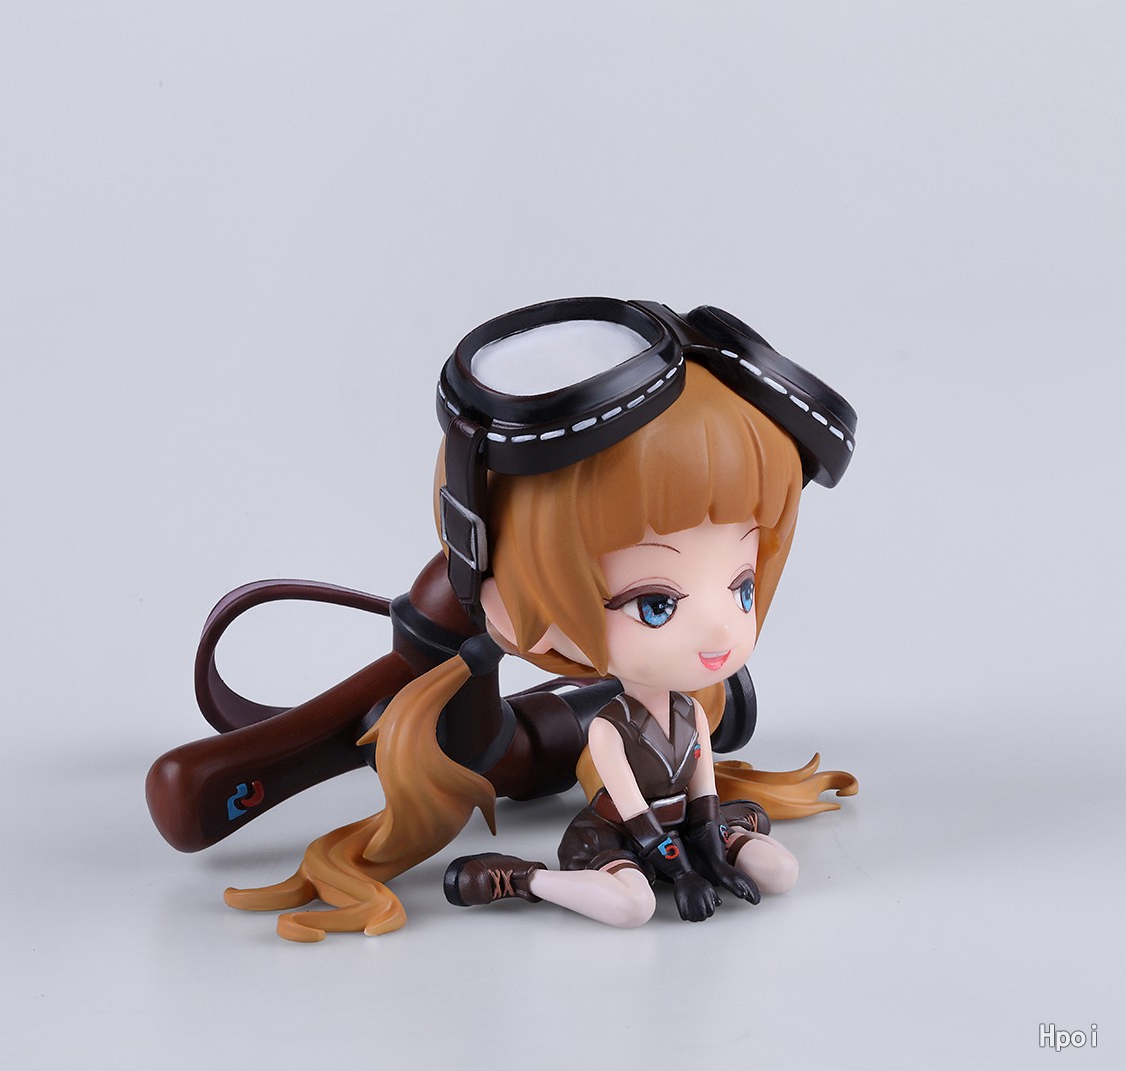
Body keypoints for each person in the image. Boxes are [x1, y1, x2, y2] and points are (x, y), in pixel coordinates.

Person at [211, 298, 858, 940]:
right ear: (496, 594)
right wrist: (674, 862)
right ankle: (521, 878)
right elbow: (628, 808)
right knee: (631, 906)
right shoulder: (607, 726)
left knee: (779, 871)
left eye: (742, 587)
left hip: (677, 824)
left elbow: (703, 786)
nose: (719, 630)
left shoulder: (690, 710)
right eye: (655, 604)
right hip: (622, 835)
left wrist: (708, 843)